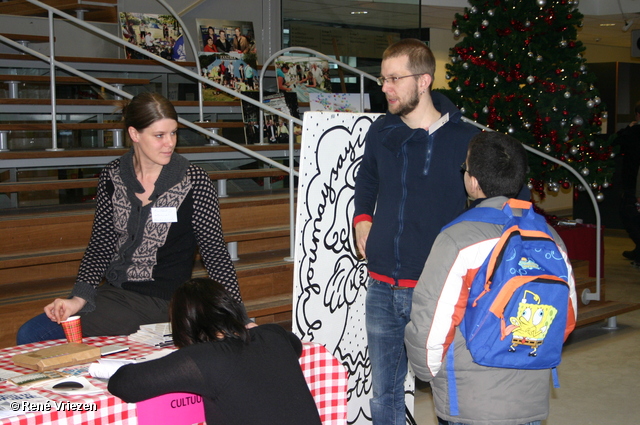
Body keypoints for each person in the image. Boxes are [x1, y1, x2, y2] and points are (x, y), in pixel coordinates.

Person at [16, 92, 241, 344]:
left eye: (173, 133)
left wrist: (238, 317)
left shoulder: (194, 181)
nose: (170, 143)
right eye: (159, 135)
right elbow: (100, 245)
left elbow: (215, 253)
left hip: (164, 300)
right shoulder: (112, 176)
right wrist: (78, 298)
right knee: (34, 332)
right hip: (115, 294)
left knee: (34, 334)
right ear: (134, 134)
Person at [405, 131, 577, 425]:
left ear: (473, 181)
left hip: (469, 401)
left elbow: (430, 324)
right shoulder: (550, 238)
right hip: (531, 397)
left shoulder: (459, 238)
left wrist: (429, 372)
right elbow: (567, 317)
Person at [353, 38, 479, 425]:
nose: (385, 88)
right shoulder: (381, 132)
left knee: (451, 394)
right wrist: (363, 220)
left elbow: (495, 202)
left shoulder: (467, 139)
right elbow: (367, 180)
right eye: (382, 79)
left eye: (394, 79)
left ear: (423, 81)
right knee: (384, 395)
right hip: (380, 286)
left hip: (437, 292)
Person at [108, 278, 322, 425]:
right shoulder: (274, 334)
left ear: (184, 324)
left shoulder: (205, 358)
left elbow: (124, 384)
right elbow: (296, 345)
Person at [613, 100, 640, 265]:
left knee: (630, 216)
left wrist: (629, 128)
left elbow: (616, 142)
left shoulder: (634, 131)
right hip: (635, 181)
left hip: (634, 182)